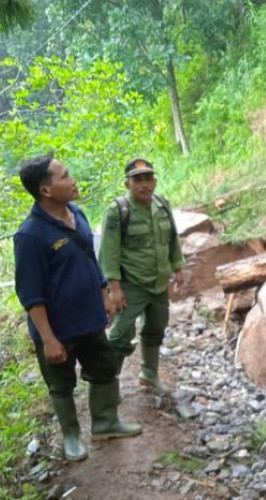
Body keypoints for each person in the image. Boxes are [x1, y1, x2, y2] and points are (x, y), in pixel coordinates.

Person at [13, 153, 142, 462]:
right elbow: (30, 294)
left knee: (103, 369)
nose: (72, 180)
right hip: (58, 329)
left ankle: (105, 422)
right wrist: (48, 338)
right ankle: (71, 436)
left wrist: (105, 293)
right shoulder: (30, 235)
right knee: (61, 384)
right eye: (64, 176)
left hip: (90, 319)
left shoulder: (76, 212)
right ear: (45, 190)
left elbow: (89, 258)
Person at [98, 158, 184, 395]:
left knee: (156, 328)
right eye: (138, 180)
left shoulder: (162, 205)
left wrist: (178, 269)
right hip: (131, 284)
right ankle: (108, 387)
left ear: (154, 181)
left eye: (148, 179)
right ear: (127, 184)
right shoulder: (118, 211)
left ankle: (148, 374)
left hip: (158, 283)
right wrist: (114, 288)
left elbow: (172, 239)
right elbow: (109, 251)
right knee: (119, 335)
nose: (144, 185)